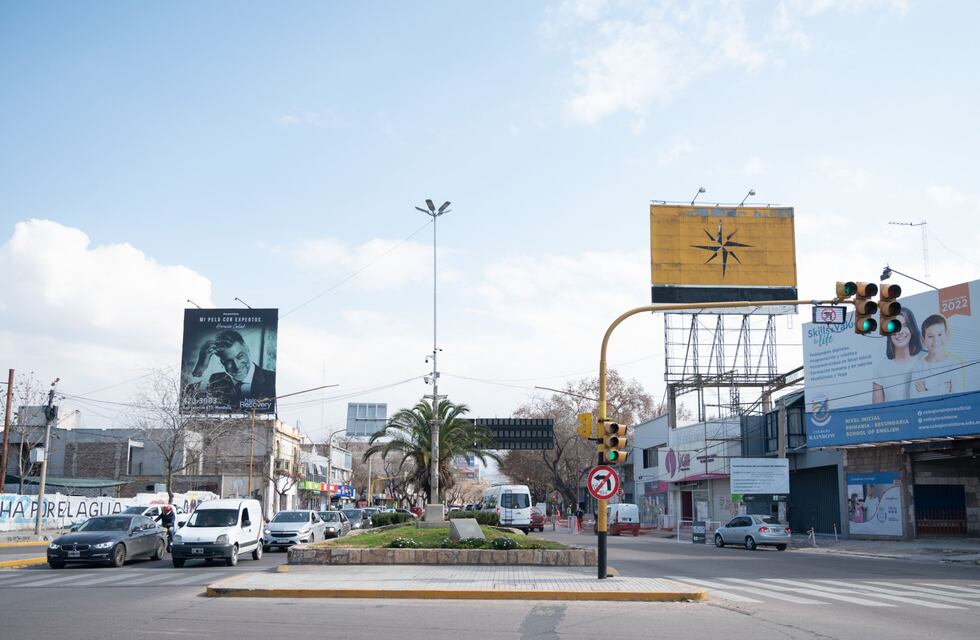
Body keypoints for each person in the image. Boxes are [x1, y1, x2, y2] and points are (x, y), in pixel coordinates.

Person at [190, 330, 276, 410]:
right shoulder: (215, 380)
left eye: (240, 356)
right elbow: (189, 399)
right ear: (221, 362)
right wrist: (201, 366)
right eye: (228, 361)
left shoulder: (272, 380)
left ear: (247, 349)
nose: (237, 366)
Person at [872, 307, 923, 403]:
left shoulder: (926, 359)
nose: (899, 331)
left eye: (905, 325)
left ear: (912, 328)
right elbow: (877, 410)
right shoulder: (880, 368)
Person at [909, 314, 966, 399]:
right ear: (923, 340)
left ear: (947, 335)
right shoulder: (919, 367)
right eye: (930, 336)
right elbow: (914, 398)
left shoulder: (954, 363)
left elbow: (958, 397)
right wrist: (944, 390)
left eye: (940, 335)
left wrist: (924, 392)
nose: (936, 340)